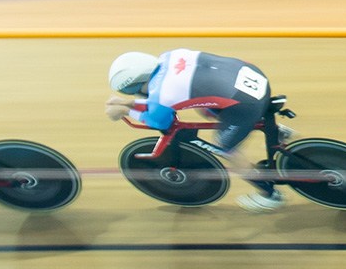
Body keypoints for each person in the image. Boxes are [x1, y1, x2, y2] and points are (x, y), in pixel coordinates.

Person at [106, 49, 286, 213]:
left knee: (227, 148)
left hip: (247, 103)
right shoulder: (170, 55)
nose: (132, 95)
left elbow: (160, 121)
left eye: (129, 92)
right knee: (207, 106)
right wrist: (129, 104)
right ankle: (273, 132)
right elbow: (160, 99)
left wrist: (125, 110)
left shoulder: (163, 95)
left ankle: (270, 195)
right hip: (252, 74)